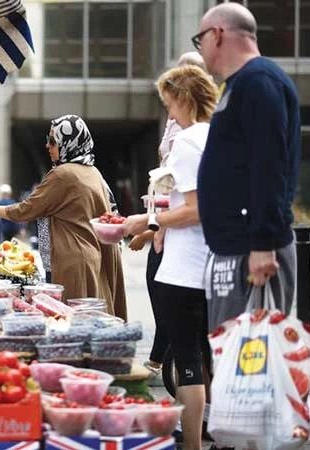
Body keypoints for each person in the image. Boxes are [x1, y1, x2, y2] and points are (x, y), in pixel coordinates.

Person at [122, 65, 219, 450]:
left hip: (184, 268)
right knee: (205, 357)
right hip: (212, 264)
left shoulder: (188, 141)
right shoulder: (220, 136)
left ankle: (191, 444)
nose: (168, 113)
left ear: (182, 98)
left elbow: (195, 209)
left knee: (189, 363)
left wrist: (145, 219)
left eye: (168, 103)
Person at [194, 3, 300, 330]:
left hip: (250, 250)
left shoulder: (259, 82)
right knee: (232, 358)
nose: (200, 51)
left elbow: (269, 164)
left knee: (251, 365)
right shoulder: (242, 84)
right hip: (235, 248)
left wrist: (262, 244)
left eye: (200, 41)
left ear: (217, 34)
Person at [0, 115, 127, 317]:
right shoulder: (92, 172)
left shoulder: (63, 174)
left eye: (53, 141)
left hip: (72, 261)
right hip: (88, 257)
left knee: (69, 324)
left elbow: (25, 210)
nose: (47, 146)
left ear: (68, 143)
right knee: (86, 324)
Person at [128, 51, 207, 376]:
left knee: (174, 309)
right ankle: (169, 363)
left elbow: (192, 205)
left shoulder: (190, 138)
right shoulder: (183, 128)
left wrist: (148, 226)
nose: (169, 106)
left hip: (184, 243)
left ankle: (164, 362)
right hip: (179, 235)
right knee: (186, 324)